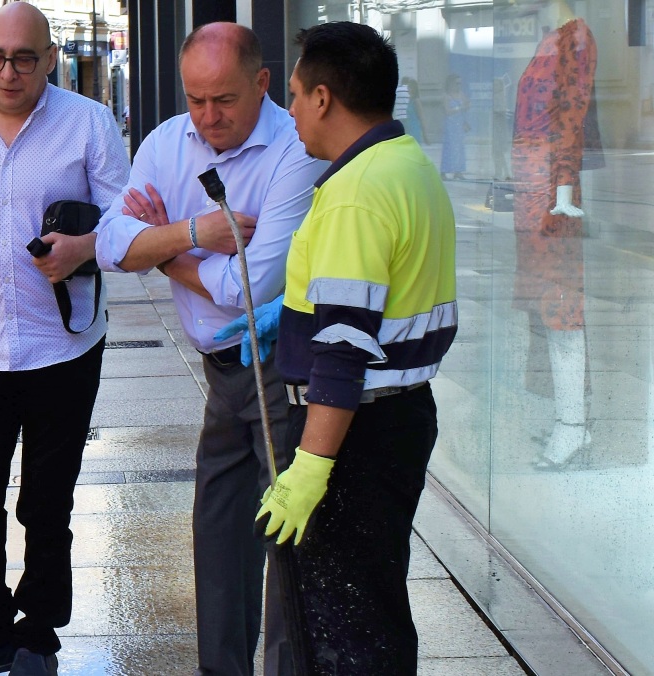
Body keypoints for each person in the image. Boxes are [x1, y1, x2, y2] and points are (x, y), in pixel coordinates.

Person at [94, 21, 327, 676]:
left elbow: (245, 289)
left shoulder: (294, 150)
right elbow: (113, 245)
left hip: (280, 373)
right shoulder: (171, 142)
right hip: (223, 377)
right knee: (218, 536)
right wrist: (194, 231)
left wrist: (165, 251)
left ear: (261, 83)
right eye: (195, 99)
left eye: (222, 99)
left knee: (288, 546)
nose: (208, 116)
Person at [0, 3, 129, 676]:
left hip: (63, 347)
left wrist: (84, 247)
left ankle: (39, 635)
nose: (8, 73)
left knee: (48, 500)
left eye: (24, 58)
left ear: (50, 57)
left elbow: (126, 223)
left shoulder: (88, 122)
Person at [242, 22, 457, 674]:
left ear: (326, 98)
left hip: (351, 436)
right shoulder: (408, 166)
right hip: (398, 418)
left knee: (346, 630)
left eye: (298, 95)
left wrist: (310, 469)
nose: (293, 112)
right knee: (377, 612)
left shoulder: (354, 196)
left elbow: (342, 351)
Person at [511, 0, 596, 469]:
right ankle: (570, 418)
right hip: (532, 188)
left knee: (562, 305)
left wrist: (561, 187)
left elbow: (570, 114)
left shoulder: (574, 39)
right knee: (546, 307)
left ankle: (573, 425)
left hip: (549, 192)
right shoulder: (552, 37)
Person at [440, 73, 468, 179]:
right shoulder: (446, 96)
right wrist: (460, 108)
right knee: (449, 147)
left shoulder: (461, 94)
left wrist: (466, 109)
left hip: (459, 124)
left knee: (459, 147)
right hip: (450, 125)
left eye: (460, 83)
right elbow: (447, 111)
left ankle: (458, 171)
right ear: (451, 84)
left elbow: (466, 105)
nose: (459, 85)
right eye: (457, 83)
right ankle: (444, 171)